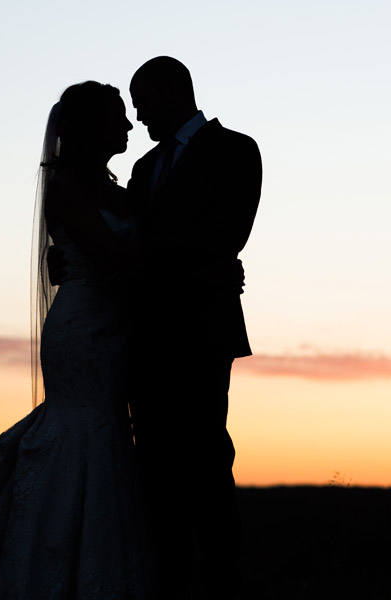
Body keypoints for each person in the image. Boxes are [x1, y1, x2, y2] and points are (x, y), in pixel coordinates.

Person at [0, 81, 153, 599]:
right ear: (91, 128)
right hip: (83, 331)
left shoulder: (116, 187)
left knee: (105, 432)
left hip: (115, 329)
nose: (128, 127)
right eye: (118, 118)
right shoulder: (67, 186)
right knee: (82, 427)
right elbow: (111, 257)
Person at [125, 56, 262, 599]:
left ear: (172, 92)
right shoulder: (142, 169)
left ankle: (223, 585)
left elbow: (227, 233)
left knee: (206, 461)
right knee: (155, 471)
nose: (138, 119)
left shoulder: (237, 150)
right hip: (145, 339)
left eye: (143, 104)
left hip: (202, 332)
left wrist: (142, 255)